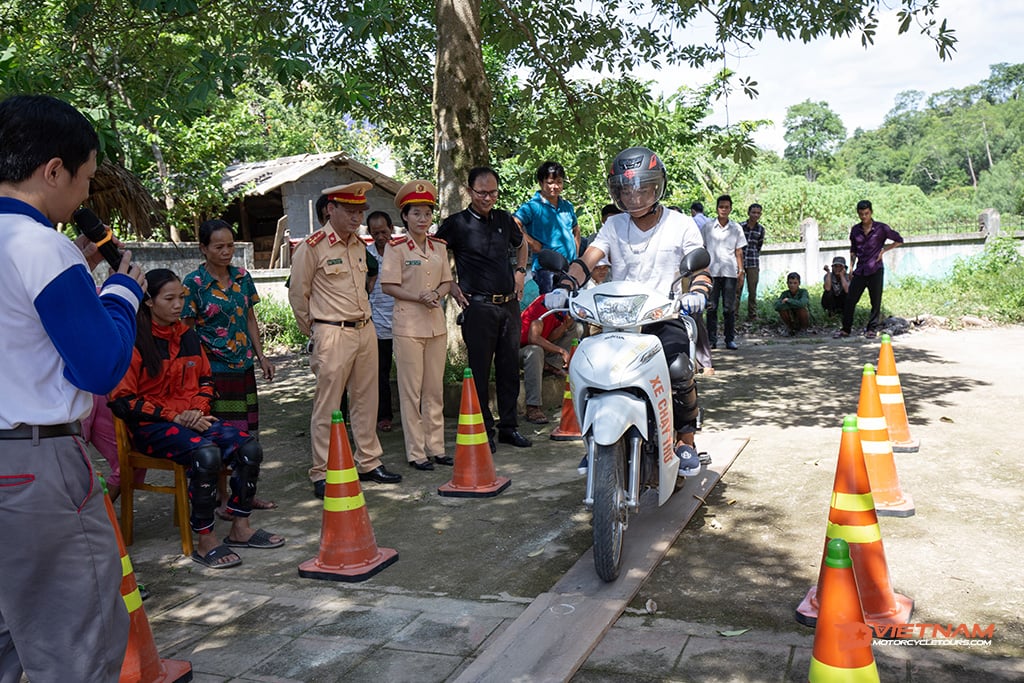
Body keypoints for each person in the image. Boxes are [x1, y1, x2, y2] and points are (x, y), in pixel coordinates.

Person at [0, 93, 145, 681]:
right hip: (36, 466)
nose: (85, 196)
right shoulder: (40, 246)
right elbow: (99, 367)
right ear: (52, 169)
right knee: (74, 641)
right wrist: (121, 293)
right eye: (84, 178)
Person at [110, 269, 285, 569]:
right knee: (207, 455)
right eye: (170, 298)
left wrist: (197, 411)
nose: (179, 305)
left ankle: (240, 528)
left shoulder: (188, 335)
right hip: (153, 428)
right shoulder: (134, 341)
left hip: (192, 419)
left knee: (249, 448)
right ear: (149, 302)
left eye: (181, 297)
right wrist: (175, 416)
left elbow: (206, 380)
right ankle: (205, 541)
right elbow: (122, 401)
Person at [565, 146, 712, 476]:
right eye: (625, 190)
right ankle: (596, 441)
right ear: (616, 192)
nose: (633, 197)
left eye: (641, 188)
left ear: (657, 186)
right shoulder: (614, 225)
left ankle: (685, 439)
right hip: (619, 322)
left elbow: (700, 268)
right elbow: (587, 260)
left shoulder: (681, 224)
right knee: (588, 366)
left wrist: (698, 293)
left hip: (663, 316)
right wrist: (565, 286)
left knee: (678, 368)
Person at [289, 181, 402, 499]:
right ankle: (322, 472)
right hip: (332, 332)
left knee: (367, 400)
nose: (357, 218)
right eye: (350, 211)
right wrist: (316, 331)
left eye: (360, 212)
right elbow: (299, 295)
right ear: (331, 209)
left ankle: (368, 462)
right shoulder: (312, 247)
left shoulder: (357, 245)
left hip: (365, 329)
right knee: (328, 405)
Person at [183, 219, 277, 518]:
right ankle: (222, 499)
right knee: (220, 435)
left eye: (230, 246)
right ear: (203, 248)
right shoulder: (194, 284)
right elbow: (186, 330)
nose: (227, 252)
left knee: (247, 434)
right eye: (219, 246)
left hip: (243, 367)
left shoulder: (242, 277)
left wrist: (261, 357)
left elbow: (249, 319)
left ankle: (245, 494)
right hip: (213, 372)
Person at [437, 167, 532, 451]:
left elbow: (522, 245)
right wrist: (449, 284)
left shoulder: (504, 218)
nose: (488, 198)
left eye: (493, 192)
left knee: (508, 369)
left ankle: (509, 427)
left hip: (508, 306)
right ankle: (483, 430)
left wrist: (520, 271)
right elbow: (435, 252)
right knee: (479, 371)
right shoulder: (456, 223)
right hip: (478, 308)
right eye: (482, 193)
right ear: (469, 191)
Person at [380, 181, 453, 470]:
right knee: (412, 391)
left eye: (427, 213)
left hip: (435, 323)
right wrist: (418, 297)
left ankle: (436, 447)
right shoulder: (396, 248)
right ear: (405, 217)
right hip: (409, 325)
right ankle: (416, 452)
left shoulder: (439, 246)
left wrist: (437, 293)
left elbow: (447, 281)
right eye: (417, 214)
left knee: (434, 389)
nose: (423, 219)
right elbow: (388, 285)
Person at [834, 200, 904, 339]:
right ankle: (846, 329)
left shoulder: (881, 228)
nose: (864, 217)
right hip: (860, 270)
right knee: (850, 300)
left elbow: (899, 240)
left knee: (875, 301)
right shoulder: (855, 230)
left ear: (871, 212)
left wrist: (884, 250)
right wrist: (851, 268)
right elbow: (853, 250)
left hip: (876, 270)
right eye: (861, 214)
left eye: (866, 213)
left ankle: (871, 329)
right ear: (858, 214)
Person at [514, 161, 580, 294]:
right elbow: (513, 224)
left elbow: (576, 229)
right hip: (545, 271)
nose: (555, 186)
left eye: (559, 182)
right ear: (541, 182)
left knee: (571, 309)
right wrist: (532, 243)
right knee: (549, 309)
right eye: (550, 182)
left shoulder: (567, 206)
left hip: (570, 268)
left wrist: (576, 256)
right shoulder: (532, 207)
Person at [519, 291, 580, 424]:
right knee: (535, 351)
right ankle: (533, 407)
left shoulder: (561, 311)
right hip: (519, 349)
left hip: (541, 347)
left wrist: (564, 326)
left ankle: (553, 365)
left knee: (573, 326)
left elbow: (549, 336)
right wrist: (561, 351)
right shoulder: (543, 305)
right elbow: (533, 338)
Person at [366, 210, 397, 432]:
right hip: (375, 324)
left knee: (410, 374)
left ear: (392, 229)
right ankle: (383, 416)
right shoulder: (364, 254)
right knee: (379, 373)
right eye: (375, 232)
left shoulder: (401, 252)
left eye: (384, 232)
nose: (380, 237)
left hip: (403, 322)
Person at [703, 194, 746, 350]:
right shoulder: (707, 227)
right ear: (717, 208)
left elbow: (739, 251)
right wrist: (702, 270)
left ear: (730, 209)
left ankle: (729, 339)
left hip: (729, 273)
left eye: (726, 207)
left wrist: (741, 271)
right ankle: (711, 340)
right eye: (721, 206)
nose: (724, 209)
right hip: (712, 272)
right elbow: (702, 248)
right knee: (711, 307)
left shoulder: (736, 228)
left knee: (729, 308)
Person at [738, 203, 766, 320]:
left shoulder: (761, 230)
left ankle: (752, 315)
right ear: (748, 213)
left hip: (753, 262)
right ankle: (733, 315)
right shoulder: (739, 227)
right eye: (753, 212)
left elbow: (758, 246)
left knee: (752, 290)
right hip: (739, 262)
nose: (755, 215)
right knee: (737, 290)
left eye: (758, 213)